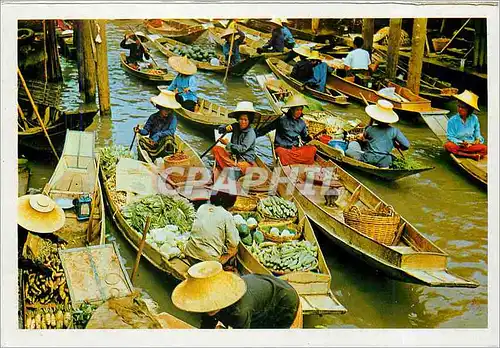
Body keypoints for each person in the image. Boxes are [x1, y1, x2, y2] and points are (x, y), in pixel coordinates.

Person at [172, 261, 301, 329]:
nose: (208, 308)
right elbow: (207, 326)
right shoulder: (208, 305)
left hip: (282, 301)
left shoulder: (239, 311)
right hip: (260, 290)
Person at [345, 99, 410, 168]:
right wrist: (397, 145)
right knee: (389, 157)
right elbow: (406, 146)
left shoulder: (370, 129)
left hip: (368, 159)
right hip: (385, 161)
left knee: (350, 148)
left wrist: (357, 137)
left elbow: (363, 138)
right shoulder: (395, 131)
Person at [184, 188, 240, 266]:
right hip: (209, 261)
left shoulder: (202, 207)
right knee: (235, 250)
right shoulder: (227, 215)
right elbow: (233, 243)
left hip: (190, 254)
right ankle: (223, 266)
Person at [257, 94, 317, 166]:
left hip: (294, 149)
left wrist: (309, 137)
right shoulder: (281, 120)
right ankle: (294, 160)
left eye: (301, 110)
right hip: (282, 148)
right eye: (297, 110)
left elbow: (304, 138)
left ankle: (292, 160)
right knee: (282, 153)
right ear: (292, 110)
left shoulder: (302, 123)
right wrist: (255, 134)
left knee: (312, 149)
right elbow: (267, 128)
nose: (299, 112)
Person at [17, 194, 67, 273]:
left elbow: (35, 228)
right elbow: (15, 260)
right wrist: (37, 267)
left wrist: (54, 238)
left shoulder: (24, 218)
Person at [212, 101, 258, 176]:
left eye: (245, 120)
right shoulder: (236, 126)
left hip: (245, 161)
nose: (243, 122)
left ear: (249, 121)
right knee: (216, 149)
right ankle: (231, 168)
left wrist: (227, 144)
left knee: (240, 166)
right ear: (238, 119)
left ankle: (231, 169)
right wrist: (225, 128)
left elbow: (242, 149)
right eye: (241, 119)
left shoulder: (251, 133)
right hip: (233, 157)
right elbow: (220, 129)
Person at [134, 90, 180, 161]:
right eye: (165, 109)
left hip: (165, 146)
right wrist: (139, 131)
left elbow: (171, 131)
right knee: (142, 141)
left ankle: (168, 159)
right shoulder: (153, 117)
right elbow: (146, 131)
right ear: (160, 108)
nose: (167, 112)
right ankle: (151, 157)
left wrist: (159, 135)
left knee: (169, 140)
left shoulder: (173, 118)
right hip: (153, 144)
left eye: (169, 110)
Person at [444, 90, 487, 160]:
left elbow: (477, 133)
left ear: (469, 109)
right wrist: (461, 143)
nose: (460, 109)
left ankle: (468, 154)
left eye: (463, 107)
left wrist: (478, 139)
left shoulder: (474, 119)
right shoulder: (452, 120)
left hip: (471, 145)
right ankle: (471, 156)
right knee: (448, 145)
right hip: (459, 145)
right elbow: (450, 137)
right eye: (458, 106)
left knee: (485, 149)